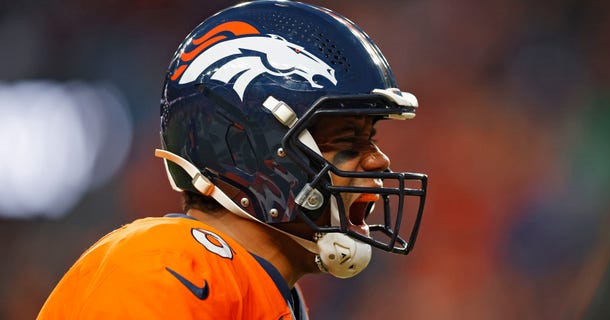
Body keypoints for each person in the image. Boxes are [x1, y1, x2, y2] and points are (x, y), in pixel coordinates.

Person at [37, 1, 428, 319]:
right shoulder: (170, 262)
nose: (378, 160)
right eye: (347, 140)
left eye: (369, 139)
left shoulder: (269, 291)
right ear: (247, 151)